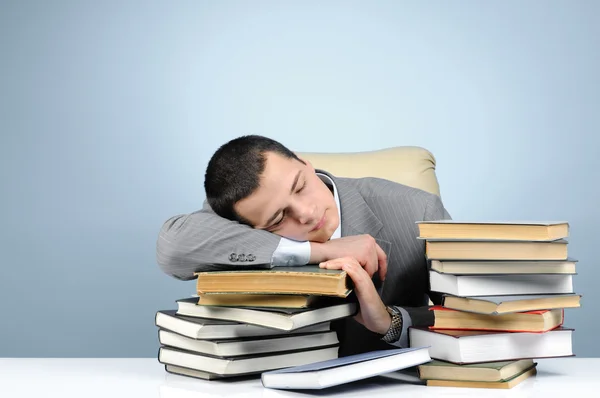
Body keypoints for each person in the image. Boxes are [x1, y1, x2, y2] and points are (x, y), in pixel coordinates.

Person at [157, 135, 451, 356]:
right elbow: (172, 247)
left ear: (305, 164)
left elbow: (478, 320)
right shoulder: (243, 215)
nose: (307, 214)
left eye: (300, 186)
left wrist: (391, 322)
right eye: (278, 218)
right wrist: (321, 250)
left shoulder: (418, 211)